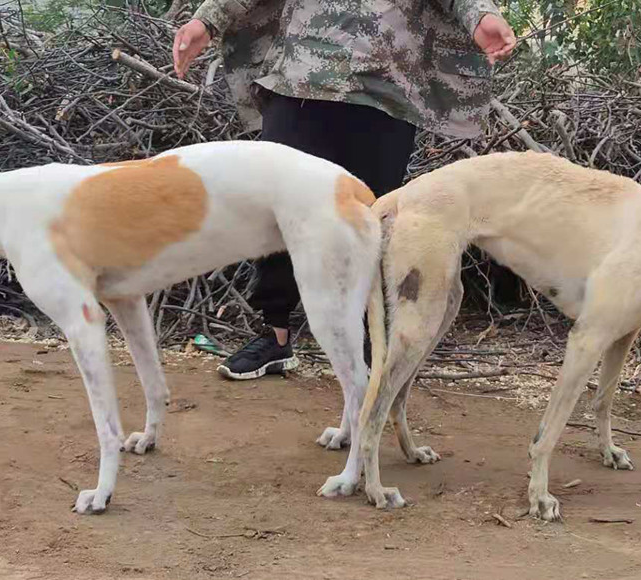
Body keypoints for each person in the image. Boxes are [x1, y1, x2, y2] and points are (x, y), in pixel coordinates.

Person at [173, 0, 515, 380]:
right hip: (300, 78)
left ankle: (370, 341)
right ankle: (275, 334)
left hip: (387, 88)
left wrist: (482, 16)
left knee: (372, 219)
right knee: (277, 210)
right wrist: (205, 21)